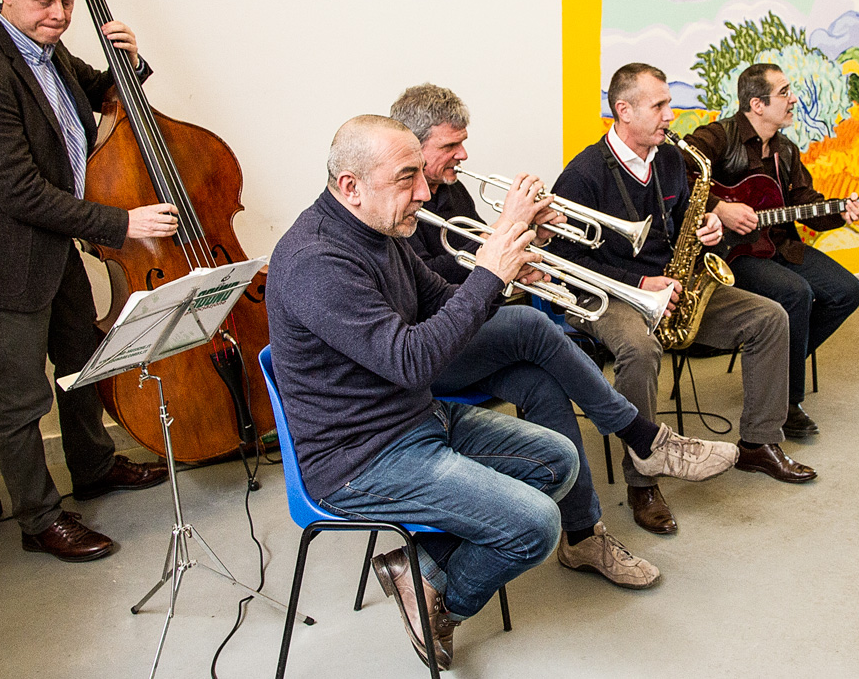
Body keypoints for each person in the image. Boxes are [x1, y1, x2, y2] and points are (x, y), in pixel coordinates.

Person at [266, 116, 732, 670]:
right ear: (350, 186)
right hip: (359, 459)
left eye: (421, 175)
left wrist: (509, 264)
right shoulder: (317, 261)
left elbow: (442, 297)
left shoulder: (381, 230)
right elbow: (413, 361)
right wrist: (490, 272)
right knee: (536, 526)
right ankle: (444, 603)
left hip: (414, 421)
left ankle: (419, 572)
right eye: (407, 178)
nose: (423, 193)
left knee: (556, 461)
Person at [390, 82, 736, 589]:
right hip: (429, 348)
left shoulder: (450, 186)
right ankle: (642, 437)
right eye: (450, 146)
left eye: (463, 142)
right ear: (412, 145)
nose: (463, 155)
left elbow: (469, 251)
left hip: (471, 326)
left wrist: (532, 244)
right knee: (531, 325)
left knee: (544, 383)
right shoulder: (394, 205)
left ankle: (582, 536)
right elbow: (434, 286)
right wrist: (501, 258)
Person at [0, 0, 174, 562]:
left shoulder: (45, 43)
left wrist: (130, 59)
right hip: (5, 259)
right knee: (20, 396)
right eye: (46, 1)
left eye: (68, 3)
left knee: (80, 362)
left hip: (54, 247)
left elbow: (101, 91)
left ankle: (94, 468)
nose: (59, 15)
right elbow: (19, 191)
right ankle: (40, 520)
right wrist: (121, 223)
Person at [552, 62, 816, 538]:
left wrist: (711, 228)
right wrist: (636, 282)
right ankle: (643, 480)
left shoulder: (672, 160)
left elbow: (688, 223)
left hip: (673, 287)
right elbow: (560, 259)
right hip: (607, 293)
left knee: (770, 317)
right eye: (660, 106)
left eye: (669, 104)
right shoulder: (583, 174)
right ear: (623, 110)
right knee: (639, 349)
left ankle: (758, 442)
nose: (671, 115)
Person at [684, 63, 859, 436]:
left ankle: (773, 365)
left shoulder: (786, 149)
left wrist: (842, 213)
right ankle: (787, 401)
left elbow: (806, 203)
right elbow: (674, 172)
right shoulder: (719, 136)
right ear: (757, 104)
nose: (793, 99)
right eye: (784, 92)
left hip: (779, 244)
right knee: (795, 293)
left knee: (848, 292)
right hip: (732, 254)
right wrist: (720, 208)